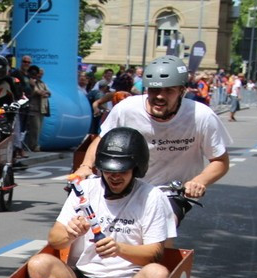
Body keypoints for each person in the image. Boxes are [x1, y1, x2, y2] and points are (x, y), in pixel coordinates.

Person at [76, 55, 232, 224]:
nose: (159, 96)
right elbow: (101, 140)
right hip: (124, 184)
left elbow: (220, 161)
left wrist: (198, 181)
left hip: (170, 191)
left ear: (182, 91)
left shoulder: (201, 116)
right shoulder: (127, 109)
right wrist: (85, 167)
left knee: (163, 224)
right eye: (154, 90)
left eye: (168, 90)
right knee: (91, 226)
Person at [27, 128, 176, 278]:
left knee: (157, 273)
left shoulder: (152, 197)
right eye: (109, 171)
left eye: (122, 171)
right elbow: (55, 240)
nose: (115, 177)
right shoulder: (84, 189)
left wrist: (119, 249)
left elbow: (155, 254)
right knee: (39, 264)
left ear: (136, 169)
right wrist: (71, 233)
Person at [24, 64, 51, 152]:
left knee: (38, 129)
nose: (40, 75)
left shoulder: (42, 83)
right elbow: (35, 91)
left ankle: (35, 144)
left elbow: (48, 92)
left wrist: (44, 92)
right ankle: (33, 146)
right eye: (39, 73)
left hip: (41, 109)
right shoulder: (31, 82)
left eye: (41, 74)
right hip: (33, 109)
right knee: (34, 128)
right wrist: (41, 92)